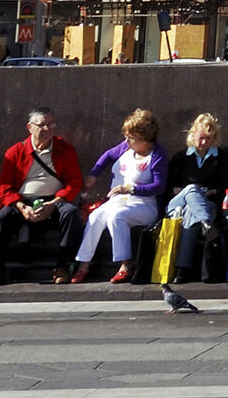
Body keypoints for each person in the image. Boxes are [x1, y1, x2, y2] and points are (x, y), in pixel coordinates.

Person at [0, 108, 83, 286]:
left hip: (54, 200)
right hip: (23, 201)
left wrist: (53, 203)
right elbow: (4, 187)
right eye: (42, 124)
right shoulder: (15, 151)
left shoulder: (64, 149)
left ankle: (62, 266)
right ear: (30, 127)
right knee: (0, 219)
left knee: (71, 214)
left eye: (51, 124)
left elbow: (74, 182)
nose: (47, 129)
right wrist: (21, 206)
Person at [70, 109, 166, 283]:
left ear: (144, 139)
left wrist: (129, 189)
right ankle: (83, 265)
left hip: (143, 203)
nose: (126, 141)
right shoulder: (126, 147)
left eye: (131, 137)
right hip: (117, 200)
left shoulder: (157, 155)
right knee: (95, 216)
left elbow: (159, 186)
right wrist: (93, 174)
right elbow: (107, 157)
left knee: (117, 217)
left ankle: (125, 264)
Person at [164, 112, 228, 284]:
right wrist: (194, 192)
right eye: (201, 138)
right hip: (178, 204)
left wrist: (205, 194)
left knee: (192, 215)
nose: (204, 142)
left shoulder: (222, 158)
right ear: (193, 135)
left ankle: (182, 270)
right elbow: (171, 188)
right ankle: (206, 223)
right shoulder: (180, 157)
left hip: (207, 204)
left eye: (209, 138)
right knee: (192, 189)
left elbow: (224, 187)